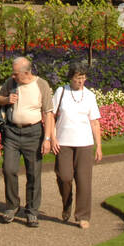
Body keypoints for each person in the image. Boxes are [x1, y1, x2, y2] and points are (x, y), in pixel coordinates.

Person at [0, 56, 56, 227]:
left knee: (34, 174)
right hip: (12, 132)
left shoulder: (41, 85)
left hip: (33, 133)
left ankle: (32, 211)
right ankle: (12, 206)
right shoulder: (11, 83)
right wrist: (6, 100)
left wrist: (48, 139)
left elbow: (49, 114)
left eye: (16, 74)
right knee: (9, 169)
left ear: (26, 72)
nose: (13, 76)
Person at [50, 61, 102, 229]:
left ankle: (82, 216)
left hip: (84, 143)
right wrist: (52, 138)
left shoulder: (90, 96)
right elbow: (51, 115)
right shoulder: (61, 91)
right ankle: (67, 203)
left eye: (83, 78)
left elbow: (94, 122)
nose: (80, 81)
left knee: (84, 180)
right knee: (64, 176)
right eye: (77, 78)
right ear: (71, 78)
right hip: (63, 142)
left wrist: (99, 146)